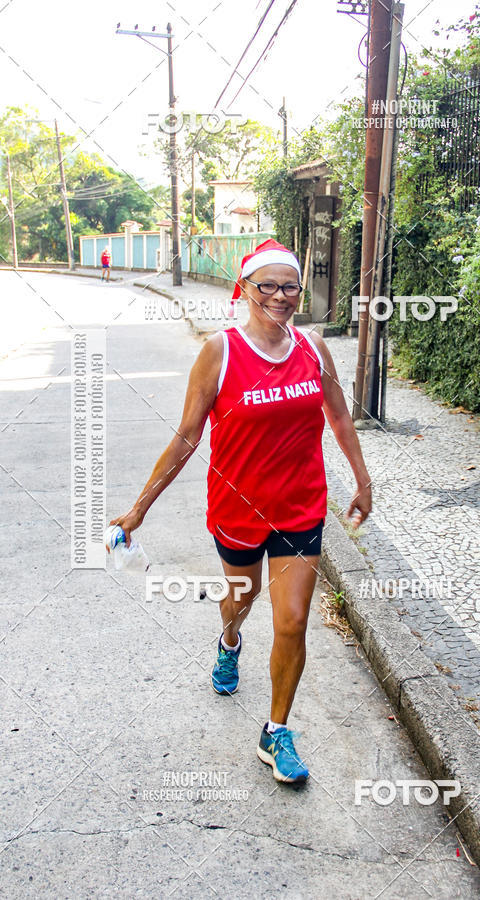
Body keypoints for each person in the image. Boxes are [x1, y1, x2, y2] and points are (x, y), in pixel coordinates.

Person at [108, 238, 372, 784]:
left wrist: (363, 479)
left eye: (290, 286)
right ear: (244, 289)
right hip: (238, 509)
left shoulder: (313, 348)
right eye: (266, 285)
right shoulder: (220, 352)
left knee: (293, 620)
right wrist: (138, 509)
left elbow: (340, 416)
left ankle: (276, 732)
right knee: (242, 600)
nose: (280, 295)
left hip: (301, 507)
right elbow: (187, 436)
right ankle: (229, 642)